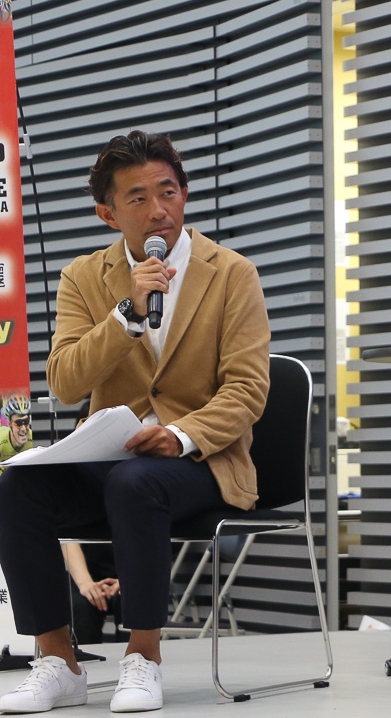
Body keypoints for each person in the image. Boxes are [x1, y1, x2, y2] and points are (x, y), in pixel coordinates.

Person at [0, 130, 270, 714]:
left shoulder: (231, 273)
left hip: (202, 459)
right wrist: (127, 315)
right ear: (108, 213)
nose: (158, 211)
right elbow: (67, 381)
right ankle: (57, 661)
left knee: (137, 482)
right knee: (18, 483)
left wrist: (178, 434)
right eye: (138, 199)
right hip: (111, 457)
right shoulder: (84, 277)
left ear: (185, 195)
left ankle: (143, 656)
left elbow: (249, 389)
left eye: (168, 193)